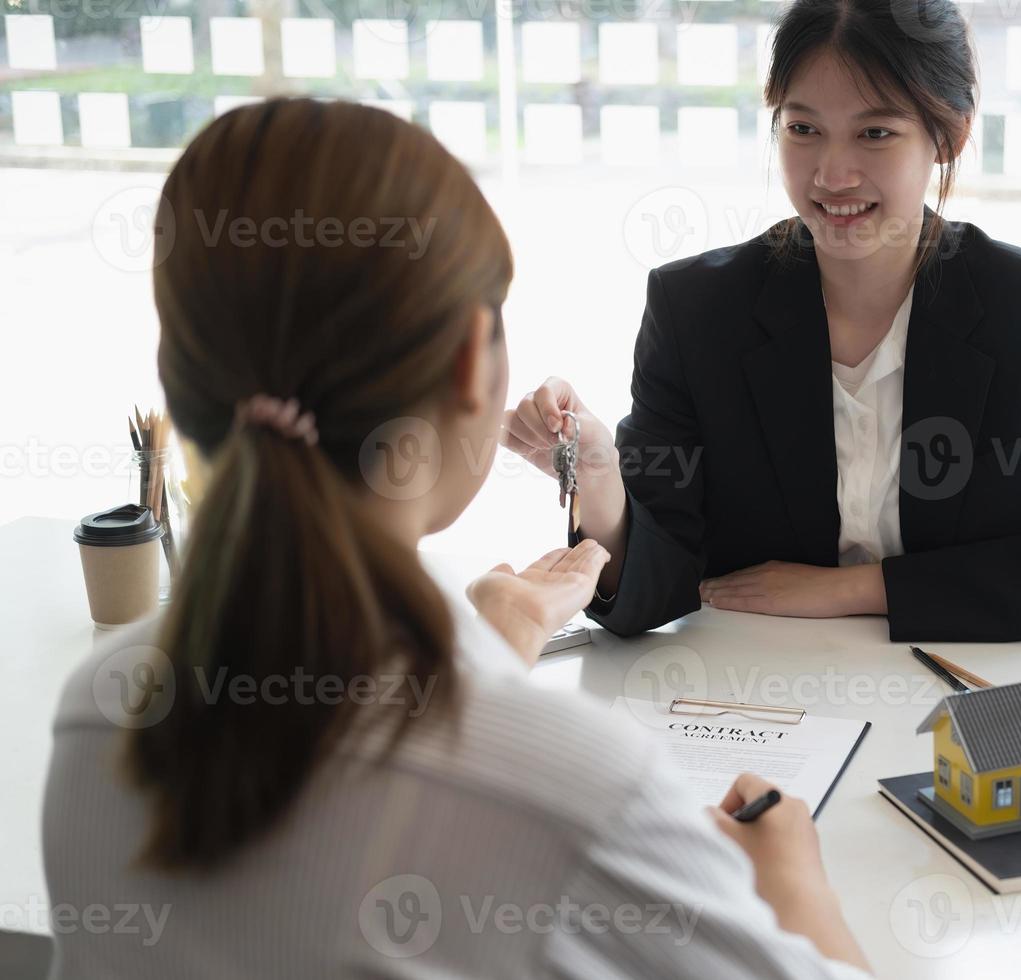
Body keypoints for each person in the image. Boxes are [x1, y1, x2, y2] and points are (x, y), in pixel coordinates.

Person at [41, 98, 870, 978]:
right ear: (475, 360)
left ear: (182, 373)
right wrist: (794, 878)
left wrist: (490, 638)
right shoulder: (581, 792)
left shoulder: (100, 711)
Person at [504, 0, 1021, 643]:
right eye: (803, 128)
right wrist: (599, 480)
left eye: (875, 133)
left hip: (956, 692)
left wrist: (851, 590)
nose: (832, 175)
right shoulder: (697, 309)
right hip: (761, 698)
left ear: (948, 135)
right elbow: (656, 575)